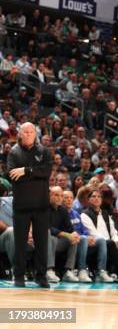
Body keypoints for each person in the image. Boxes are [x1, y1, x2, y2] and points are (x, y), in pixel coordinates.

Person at [7, 121, 52, 287]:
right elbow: (12, 174)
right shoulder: (13, 152)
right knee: (20, 243)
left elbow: (46, 172)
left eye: (30, 132)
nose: (27, 135)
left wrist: (26, 171)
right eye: (24, 132)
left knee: (42, 242)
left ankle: (41, 276)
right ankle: (18, 275)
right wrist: (36, 172)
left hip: (41, 205)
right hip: (21, 206)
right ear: (19, 134)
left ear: (35, 134)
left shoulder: (44, 151)